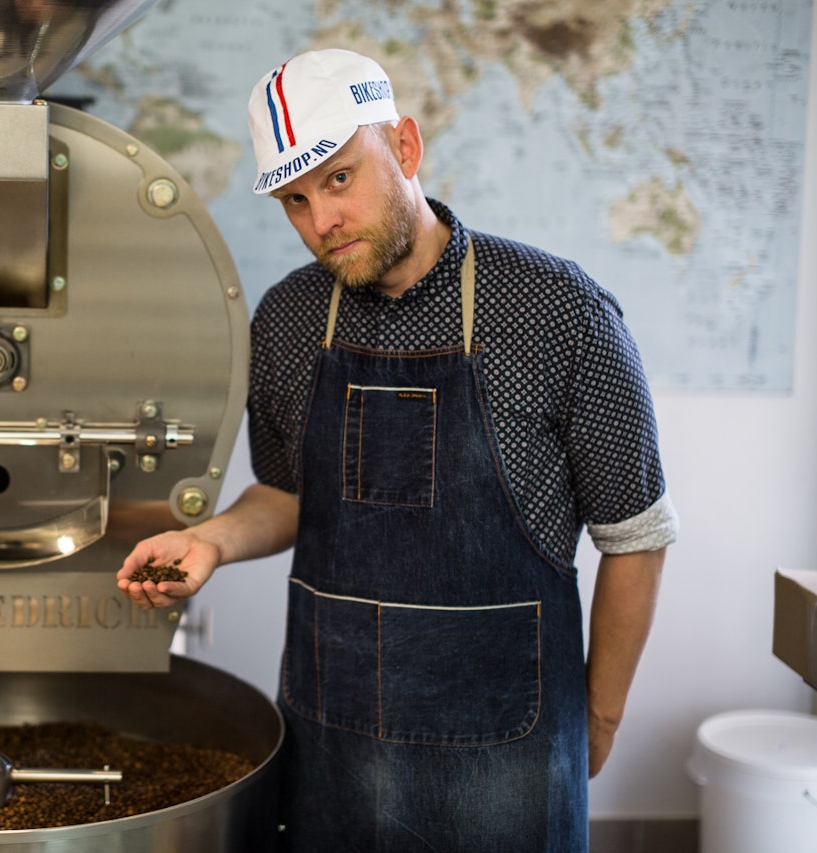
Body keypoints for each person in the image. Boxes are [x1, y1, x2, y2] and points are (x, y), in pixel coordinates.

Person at [117, 48, 677, 851]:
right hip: (334, 758)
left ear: (405, 149)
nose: (322, 223)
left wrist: (598, 716)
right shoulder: (285, 320)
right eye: (296, 200)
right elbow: (286, 496)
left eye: (340, 179)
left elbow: (638, 535)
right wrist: (208, 541)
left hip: (507, 766)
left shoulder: (560, 311)